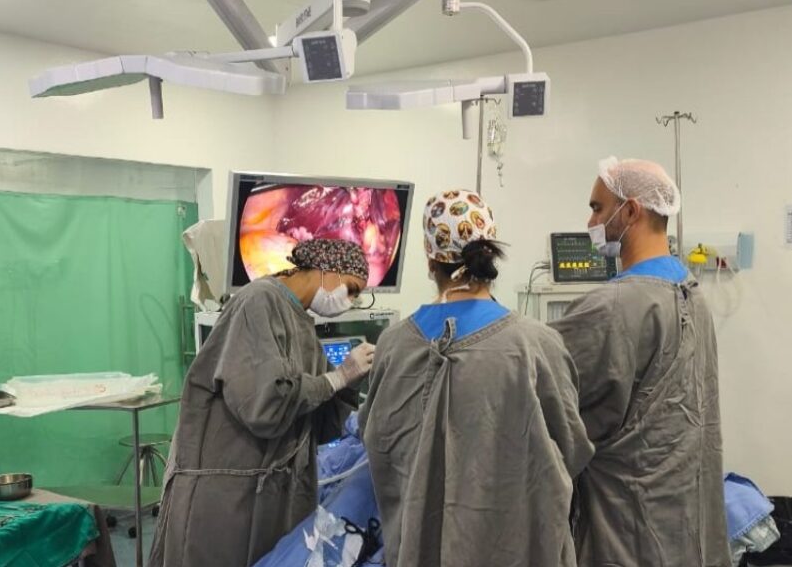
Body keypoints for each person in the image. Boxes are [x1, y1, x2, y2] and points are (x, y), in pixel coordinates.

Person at [359, 190, 593, 567]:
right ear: (490, 254)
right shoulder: (536, 345)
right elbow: (572, 449)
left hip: (420, 550)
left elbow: (376, 442)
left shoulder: (393, 345)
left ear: (430, 258)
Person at [150, 238, 376, 567]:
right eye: (351, 289)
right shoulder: (258, 302)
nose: (351, 301)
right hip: (224, 498)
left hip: (272, 498)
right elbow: (264, 406)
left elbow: (321, 426)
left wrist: (351, 383)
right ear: (326, 269)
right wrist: (338, 377)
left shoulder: (303, 327)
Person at [550, 157, 730, 567]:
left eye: (597, 208)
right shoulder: (692, 294)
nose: (591, 221)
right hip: (685, 523)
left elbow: (543, 397)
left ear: (631, 211)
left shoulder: (612, 306)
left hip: (627, 529)